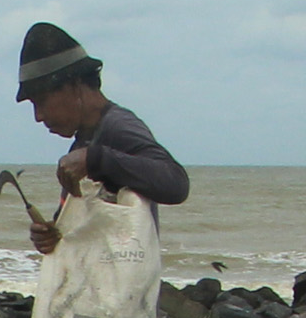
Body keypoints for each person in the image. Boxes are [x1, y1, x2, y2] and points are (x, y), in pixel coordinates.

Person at [15, 21, 187, 249]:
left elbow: (175, 183)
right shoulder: (83, 141)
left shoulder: (118, 126)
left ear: (75, 85)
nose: (38, 116)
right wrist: (51, 234)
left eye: (41, 101)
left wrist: (95, 159)